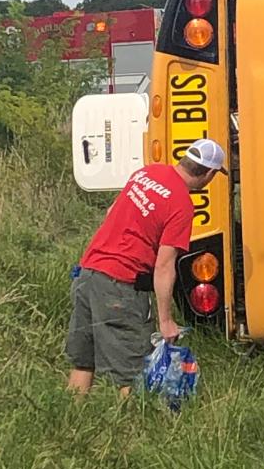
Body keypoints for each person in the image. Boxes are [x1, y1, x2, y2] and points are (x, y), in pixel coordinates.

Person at [66, 138, 227, 394]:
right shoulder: (181, 204)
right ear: (208, 173)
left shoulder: (148, 172)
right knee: (133, 373)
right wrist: (165, 320)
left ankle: (70, 423)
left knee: (84, 362)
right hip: (120, 286)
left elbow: (111, 213)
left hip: (88, 273)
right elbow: (164, 266)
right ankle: (130, 431)